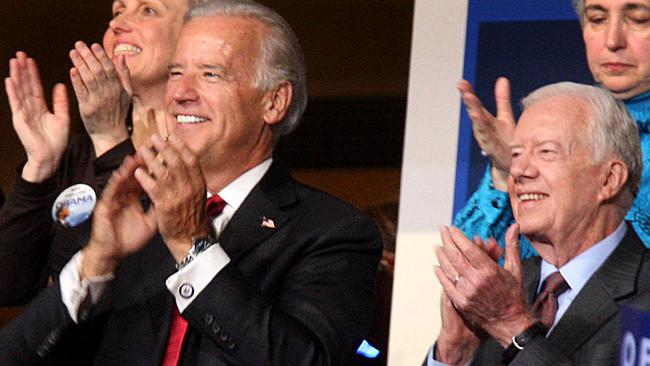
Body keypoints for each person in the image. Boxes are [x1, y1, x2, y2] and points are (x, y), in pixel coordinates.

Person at [0, 1, 382, 365]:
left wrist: (191, 245)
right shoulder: (133, 218)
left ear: (274, 101)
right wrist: (94, 264)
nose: (181, 94)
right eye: (175, 73)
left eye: (211, 74)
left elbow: (301, 359)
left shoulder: (333, 231)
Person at [428, 82, 650, 365]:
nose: (519, 171)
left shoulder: (644, 296)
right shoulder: (500, 293)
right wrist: (453, 353)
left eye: (546, 152)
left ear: (608, 180)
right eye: (517, 154)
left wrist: (513, 327)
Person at [0, 0, 206, 305]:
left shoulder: (205, 151)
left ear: (195, 35)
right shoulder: (77, 153)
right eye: (118, 11)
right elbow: (8, 287)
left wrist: (110, 139)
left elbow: (145, 288)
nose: (117, 24)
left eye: (148, 10)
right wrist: (38, 170)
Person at [454, 0, 650, 256]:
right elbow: (472, 272)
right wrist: (505, 173)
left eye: (638, 19)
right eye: (597, 19)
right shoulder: (563, 117)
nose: (613, 40)